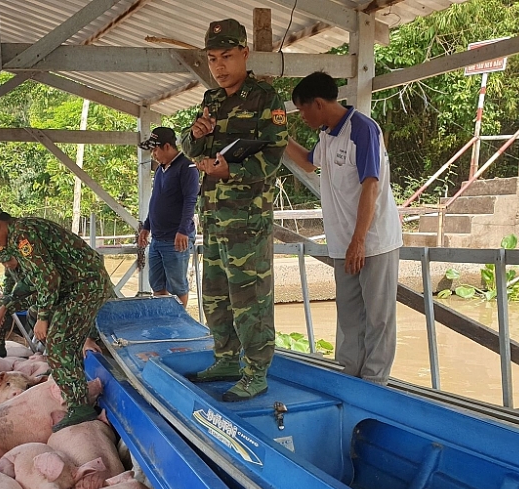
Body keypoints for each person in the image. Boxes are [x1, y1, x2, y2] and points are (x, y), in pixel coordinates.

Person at [179, 18, 288, 402]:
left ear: (244, 53)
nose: (219, 66)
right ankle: (225, 357)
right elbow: (190, 151)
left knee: (251, 298)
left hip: (247, 219)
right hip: (213, 216)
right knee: (216, 295)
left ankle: (256, 371)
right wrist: (194, 136)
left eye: (227, 56)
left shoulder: (266, 99)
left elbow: (274, 157)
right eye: (212, 58)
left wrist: (234, 170)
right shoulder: (212, 100)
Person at [285, 72, 402, 385]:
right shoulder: (327, 134)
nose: (302, 117)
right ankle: (349, 376)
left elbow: (371, 185)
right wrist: (280, 137)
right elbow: (310, 163)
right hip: (342, 242)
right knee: (350, 315)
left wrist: (359, 241)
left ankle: (376, 382)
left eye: (303, 110)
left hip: (373, 241)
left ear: (319, 104)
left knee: (378, 315)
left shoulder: (362, 130)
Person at [0, 202, 111, 430]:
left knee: (59, 341)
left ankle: (79, 406)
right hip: (72, 286)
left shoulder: (23, 235)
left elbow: (48, 278)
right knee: (61, 342)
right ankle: (71, 389)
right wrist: (7, 302)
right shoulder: (18, 235)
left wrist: (43, 316)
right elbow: (32, 280)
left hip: (85, 285)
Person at [137, 126, 200, 307]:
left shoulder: (187, 166)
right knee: (157, 284)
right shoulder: (160, 169)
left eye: (155, 149)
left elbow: (190, 200)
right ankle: (163, 321)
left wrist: (183, 230)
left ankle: (178, 326)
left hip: (175, 237)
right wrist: (146, 227)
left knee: (177, 286)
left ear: (166, 146)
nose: (154, 154)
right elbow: (155, 201)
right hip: (157, 237)